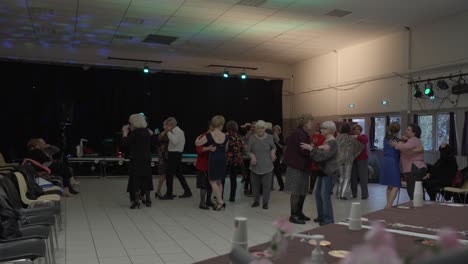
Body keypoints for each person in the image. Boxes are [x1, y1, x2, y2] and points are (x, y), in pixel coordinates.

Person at [300, 121, 339, 226]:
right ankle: (321, 216)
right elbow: (319, 154)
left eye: (324, 128)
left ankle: (328, 220)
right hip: (323, 171)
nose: (321, 130)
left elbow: (321, 157)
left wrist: (312, 148)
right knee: (318, 195)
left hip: (329, 172)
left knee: (325, 196)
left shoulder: (332, 142)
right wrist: (317, 148)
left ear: (330, 130)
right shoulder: (327, 141)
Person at [284, 114, 314, 224]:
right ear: (305, 123)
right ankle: (293, 215)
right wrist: (313, 149)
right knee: (296, 192)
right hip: (296, 166)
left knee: (302, 191)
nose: (312, 124)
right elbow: (303, 150)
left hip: (302, 166)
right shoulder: (299, 134)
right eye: (310, 122)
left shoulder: (302, 133)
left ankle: (299, 213)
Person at [121, 114, 154, 209]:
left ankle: (136, 201)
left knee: (135, 179)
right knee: (146, 178)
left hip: (136, 159)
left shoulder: (135, 133)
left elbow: (124, 144)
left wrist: (124, 133)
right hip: (147, 159)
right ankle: (148, 200)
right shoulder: (147, 132)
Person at [195, 115, 228, 211]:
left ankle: (221, 202)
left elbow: (197, 144)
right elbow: (225, 149)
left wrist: (197, 138)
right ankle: (218, 203)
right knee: (219, 181)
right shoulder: (226, 136)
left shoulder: (209, 135)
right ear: (221, 124)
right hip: (222, 159)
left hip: (213, 159)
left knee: (212, 181)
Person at [390, 124, 426, 200]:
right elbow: (407, 149)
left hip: (414, 167)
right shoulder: (413, 140)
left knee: (413, 190)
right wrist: (403, 142)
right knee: (416, 190)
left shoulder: (414, 139)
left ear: (414, 133)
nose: (406, 131)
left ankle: (417, 208)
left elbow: (405, 147)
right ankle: (419, 207)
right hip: (415, 167)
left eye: (408, 130)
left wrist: (397, 144)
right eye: (406, 129)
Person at [160, 117, 192, 200]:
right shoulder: (175, 131)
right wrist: (168, 132)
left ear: (171, 125)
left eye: (167, 125)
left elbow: (174, 142)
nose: (166, 127)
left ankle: (169, 194)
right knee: (178, 174)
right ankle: (187, 191)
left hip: (175, 155)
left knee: (169, 174)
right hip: (174, 154)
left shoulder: (178, 132)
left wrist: (167, 132)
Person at [247, 120, 276, 209]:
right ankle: (256, 201)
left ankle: (265, 202)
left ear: (265, 129)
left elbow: (274, 147)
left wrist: (272, 152)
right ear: (256, 129)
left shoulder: (270, 137)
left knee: (267, 186)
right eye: (258, 128)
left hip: (267, 165)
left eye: (262, 128)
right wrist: (252, 156)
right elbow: (248, 151)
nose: (260, 130)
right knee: (255, 185)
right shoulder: (252, 138)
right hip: (255, 166)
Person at [336, 123, 363, 200]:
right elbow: (359, 146)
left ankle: (338, 194)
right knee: (347, 177)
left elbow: (334, 147)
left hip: (339, 159)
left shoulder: (337, 137)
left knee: (340, 177)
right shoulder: (351, 138)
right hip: (348, 159)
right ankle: (343, 194)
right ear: (349, 130)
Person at [380, 122, 402, 208]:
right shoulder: (396, 140)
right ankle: (389, 205)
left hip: (385, 160)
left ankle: (388, 204)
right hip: (393, 161)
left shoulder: (386, 138)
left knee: (390, 185)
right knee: (396, 185)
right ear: (398, 130)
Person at [195, 124, 215, 209]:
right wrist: (208, 149)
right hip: (203, 164)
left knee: (210, 184)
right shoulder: (203, 136)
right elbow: (198, 149)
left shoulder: (215, 136)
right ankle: (202, 203)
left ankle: (208, 200)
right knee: (203, 184)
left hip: (211, 164)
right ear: (210, 127)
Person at [225, 120, 244, 202]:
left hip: (227, 160)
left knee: (222, 178)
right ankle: (232, 197)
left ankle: (220, 196)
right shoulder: (239, 137)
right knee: (233, 179)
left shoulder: (226, 136)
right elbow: (242, 148)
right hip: (236, 160)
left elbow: (225, 149)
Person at [351, 124, 369, 199]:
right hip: (353, 159)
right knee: (353, 178)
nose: (356, 130)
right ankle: (354, 194)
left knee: (363, 177)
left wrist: (356, 137)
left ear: (360, 130)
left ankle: (364, 194)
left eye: (358, 129)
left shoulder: (363, 136)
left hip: (362, 159)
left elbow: (365, 140)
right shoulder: (351, 138)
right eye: (355, 129)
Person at [309, 122, 326, 194]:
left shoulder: (313, 136)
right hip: (320, 158)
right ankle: (320, 189)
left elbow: (311, 145)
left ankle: (311, 189)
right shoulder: (323, 137)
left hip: (315, 158)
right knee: (320, 175)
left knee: (314, 175)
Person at [154, 125, 169, 199]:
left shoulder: (167, 133)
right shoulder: (161, 134)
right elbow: (158, 139)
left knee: (163, 175)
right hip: (163, 157)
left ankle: (159, 191)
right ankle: (158, 191)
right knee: (163, 174)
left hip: (165, 156)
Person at [272, 125, 285, 191]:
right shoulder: (270, 137)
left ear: (279, 131)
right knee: (270, 171)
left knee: (277, 171)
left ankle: (282, 185)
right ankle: (270, 186)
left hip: (277, 155)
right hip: (270, 155)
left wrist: (277, 139)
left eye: (277, 130)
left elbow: (282, 146)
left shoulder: (281, 137)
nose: (275, 131)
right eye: (274, 130)